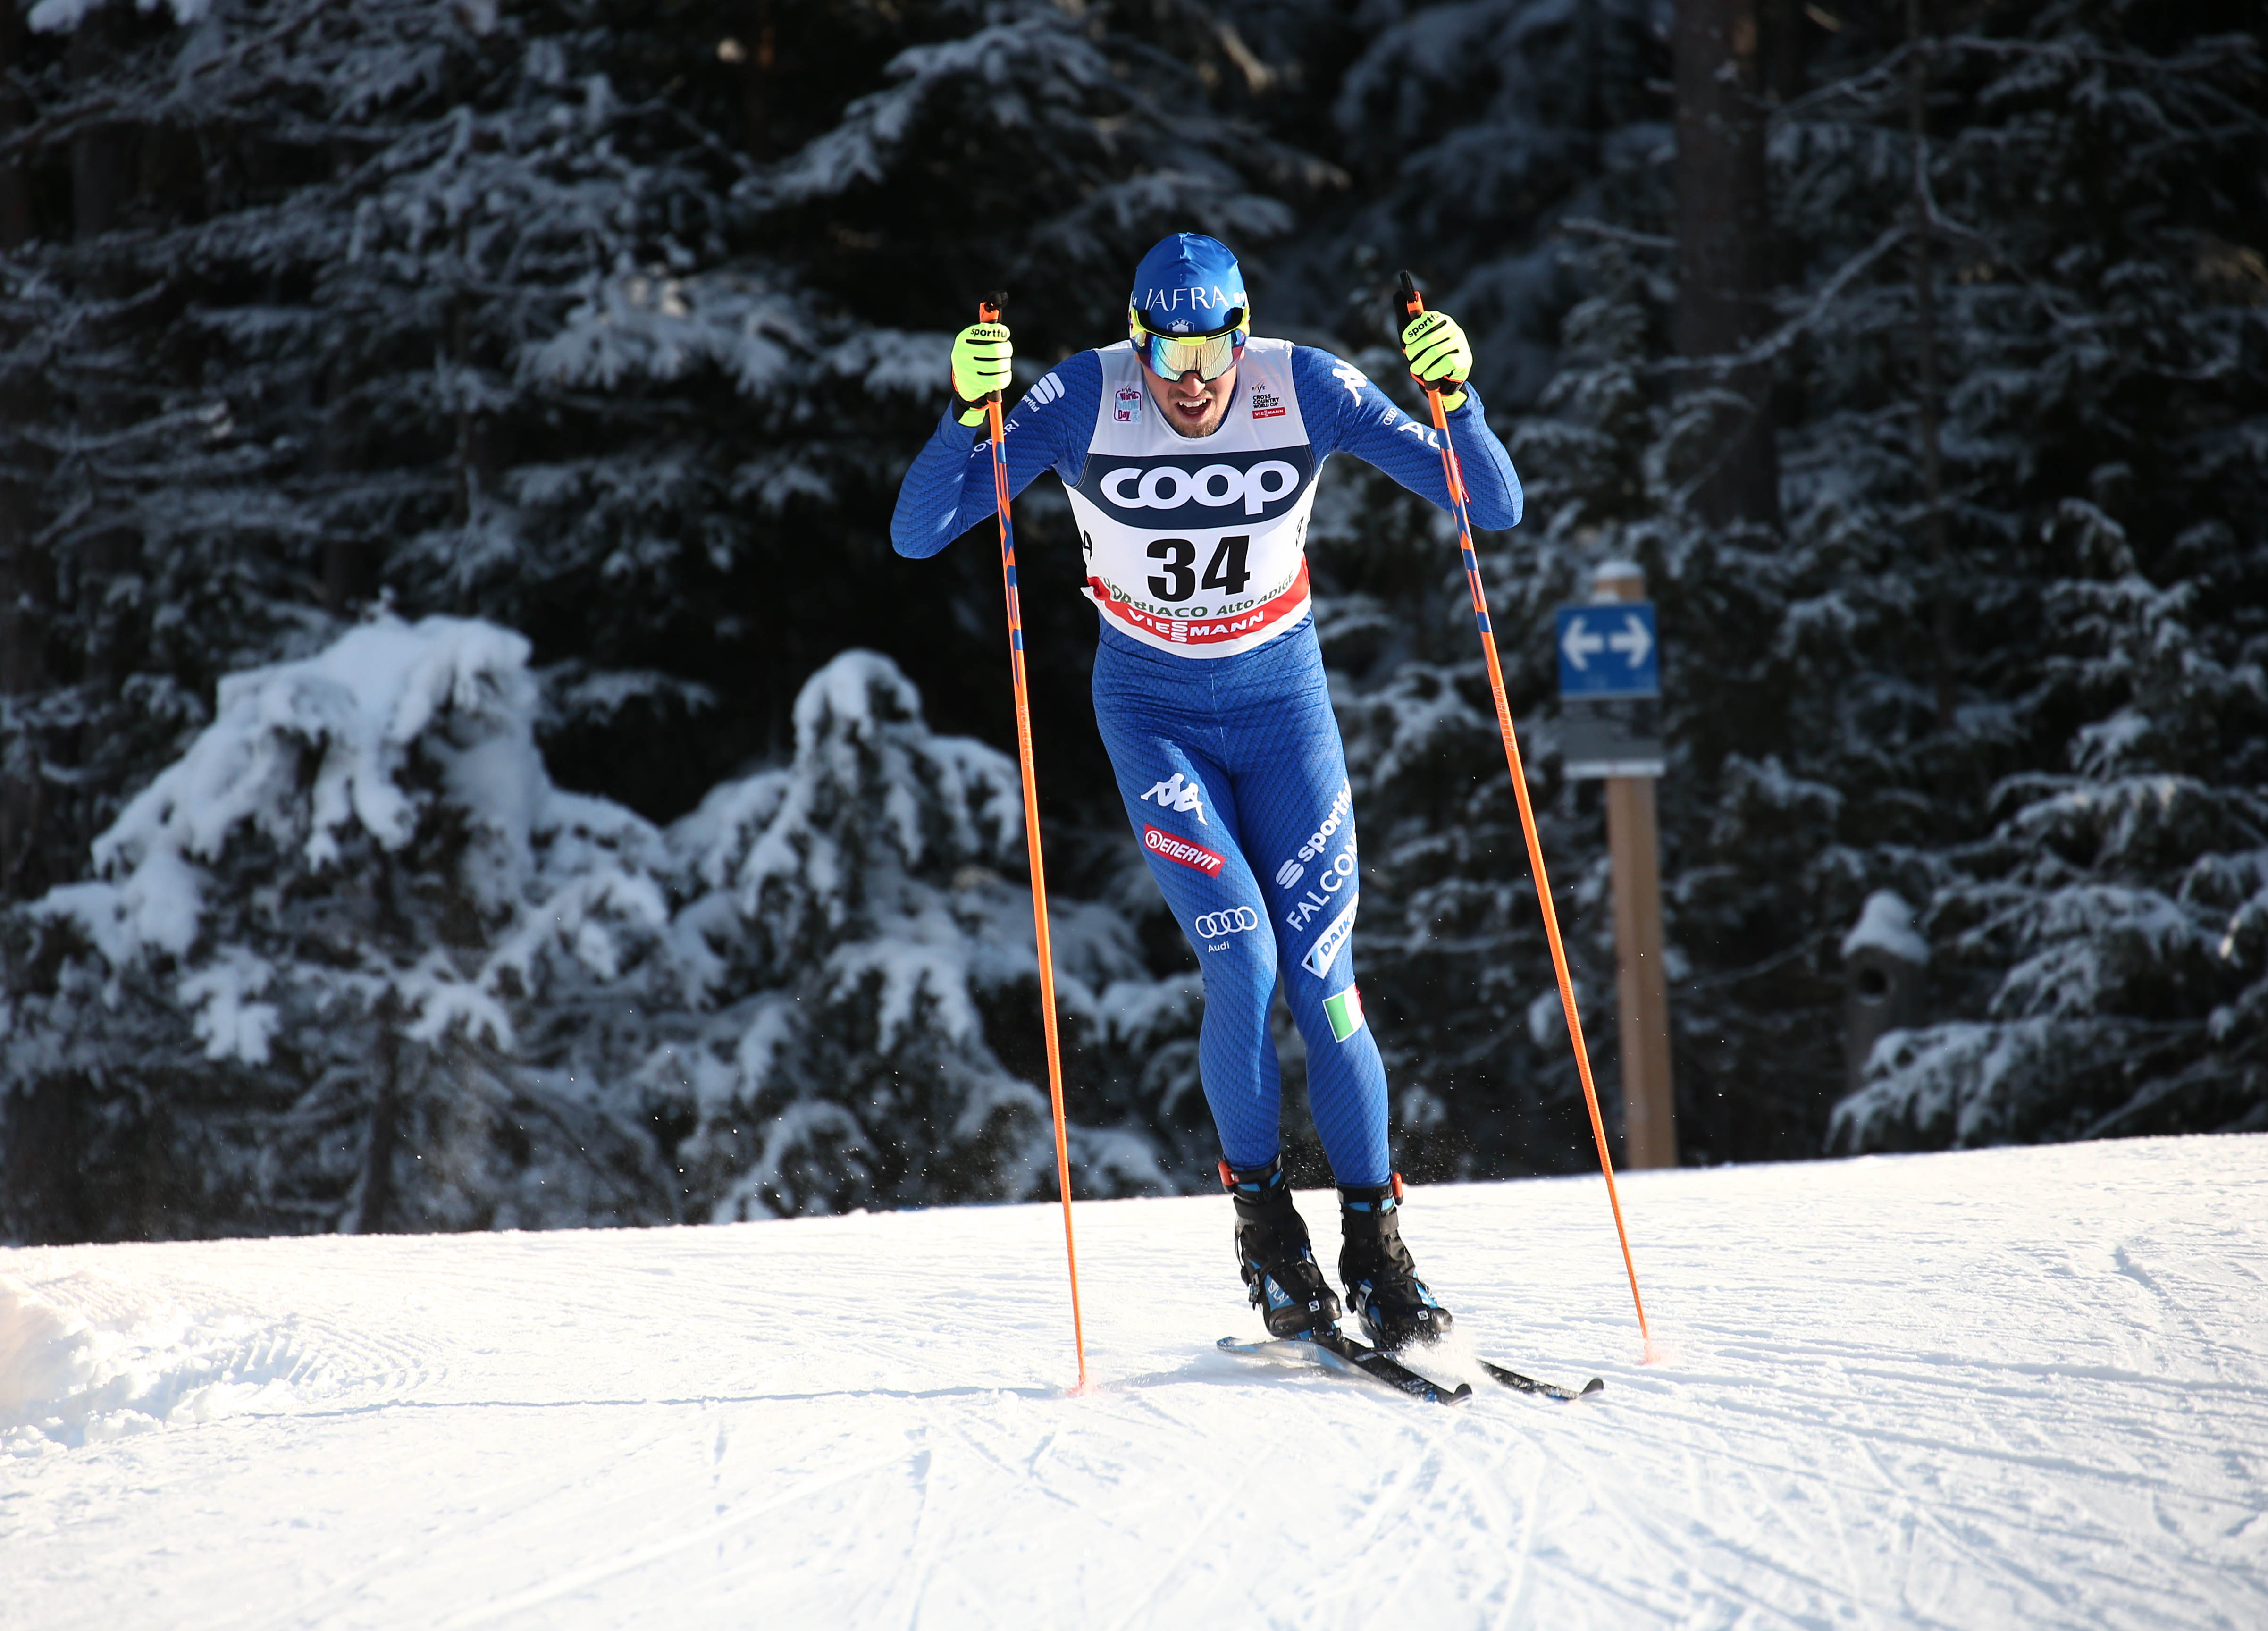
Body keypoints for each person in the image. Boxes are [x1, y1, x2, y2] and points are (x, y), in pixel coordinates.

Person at [890, 234, 1522, 1348]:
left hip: (1284, 708)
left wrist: (1458, 397)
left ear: (1242, 336)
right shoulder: (1088, 395)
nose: (1189, 381)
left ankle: (1377, 1248)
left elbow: (1492, 505)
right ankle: (1268, 1234)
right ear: (1138, 337)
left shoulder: (1304, 384)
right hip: (1154, 714)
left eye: (1210, 352)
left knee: (1325, 978)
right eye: (1166, 352)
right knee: (1245, 958)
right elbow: (922, 530)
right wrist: (963, 413)